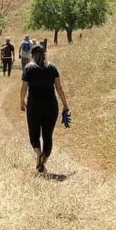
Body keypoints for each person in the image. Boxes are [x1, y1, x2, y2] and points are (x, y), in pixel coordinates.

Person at [19, 44, 70, 173]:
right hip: (51, 106)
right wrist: (65, 105)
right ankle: (44, 158)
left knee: (34, 135)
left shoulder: (29, 68)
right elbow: (59, 88)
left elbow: (24, 88)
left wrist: (21, 102)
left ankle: (38, 153)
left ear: (32, 55)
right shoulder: (52, 67)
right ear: (44, 54)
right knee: (48, 136)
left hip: (34, 107)